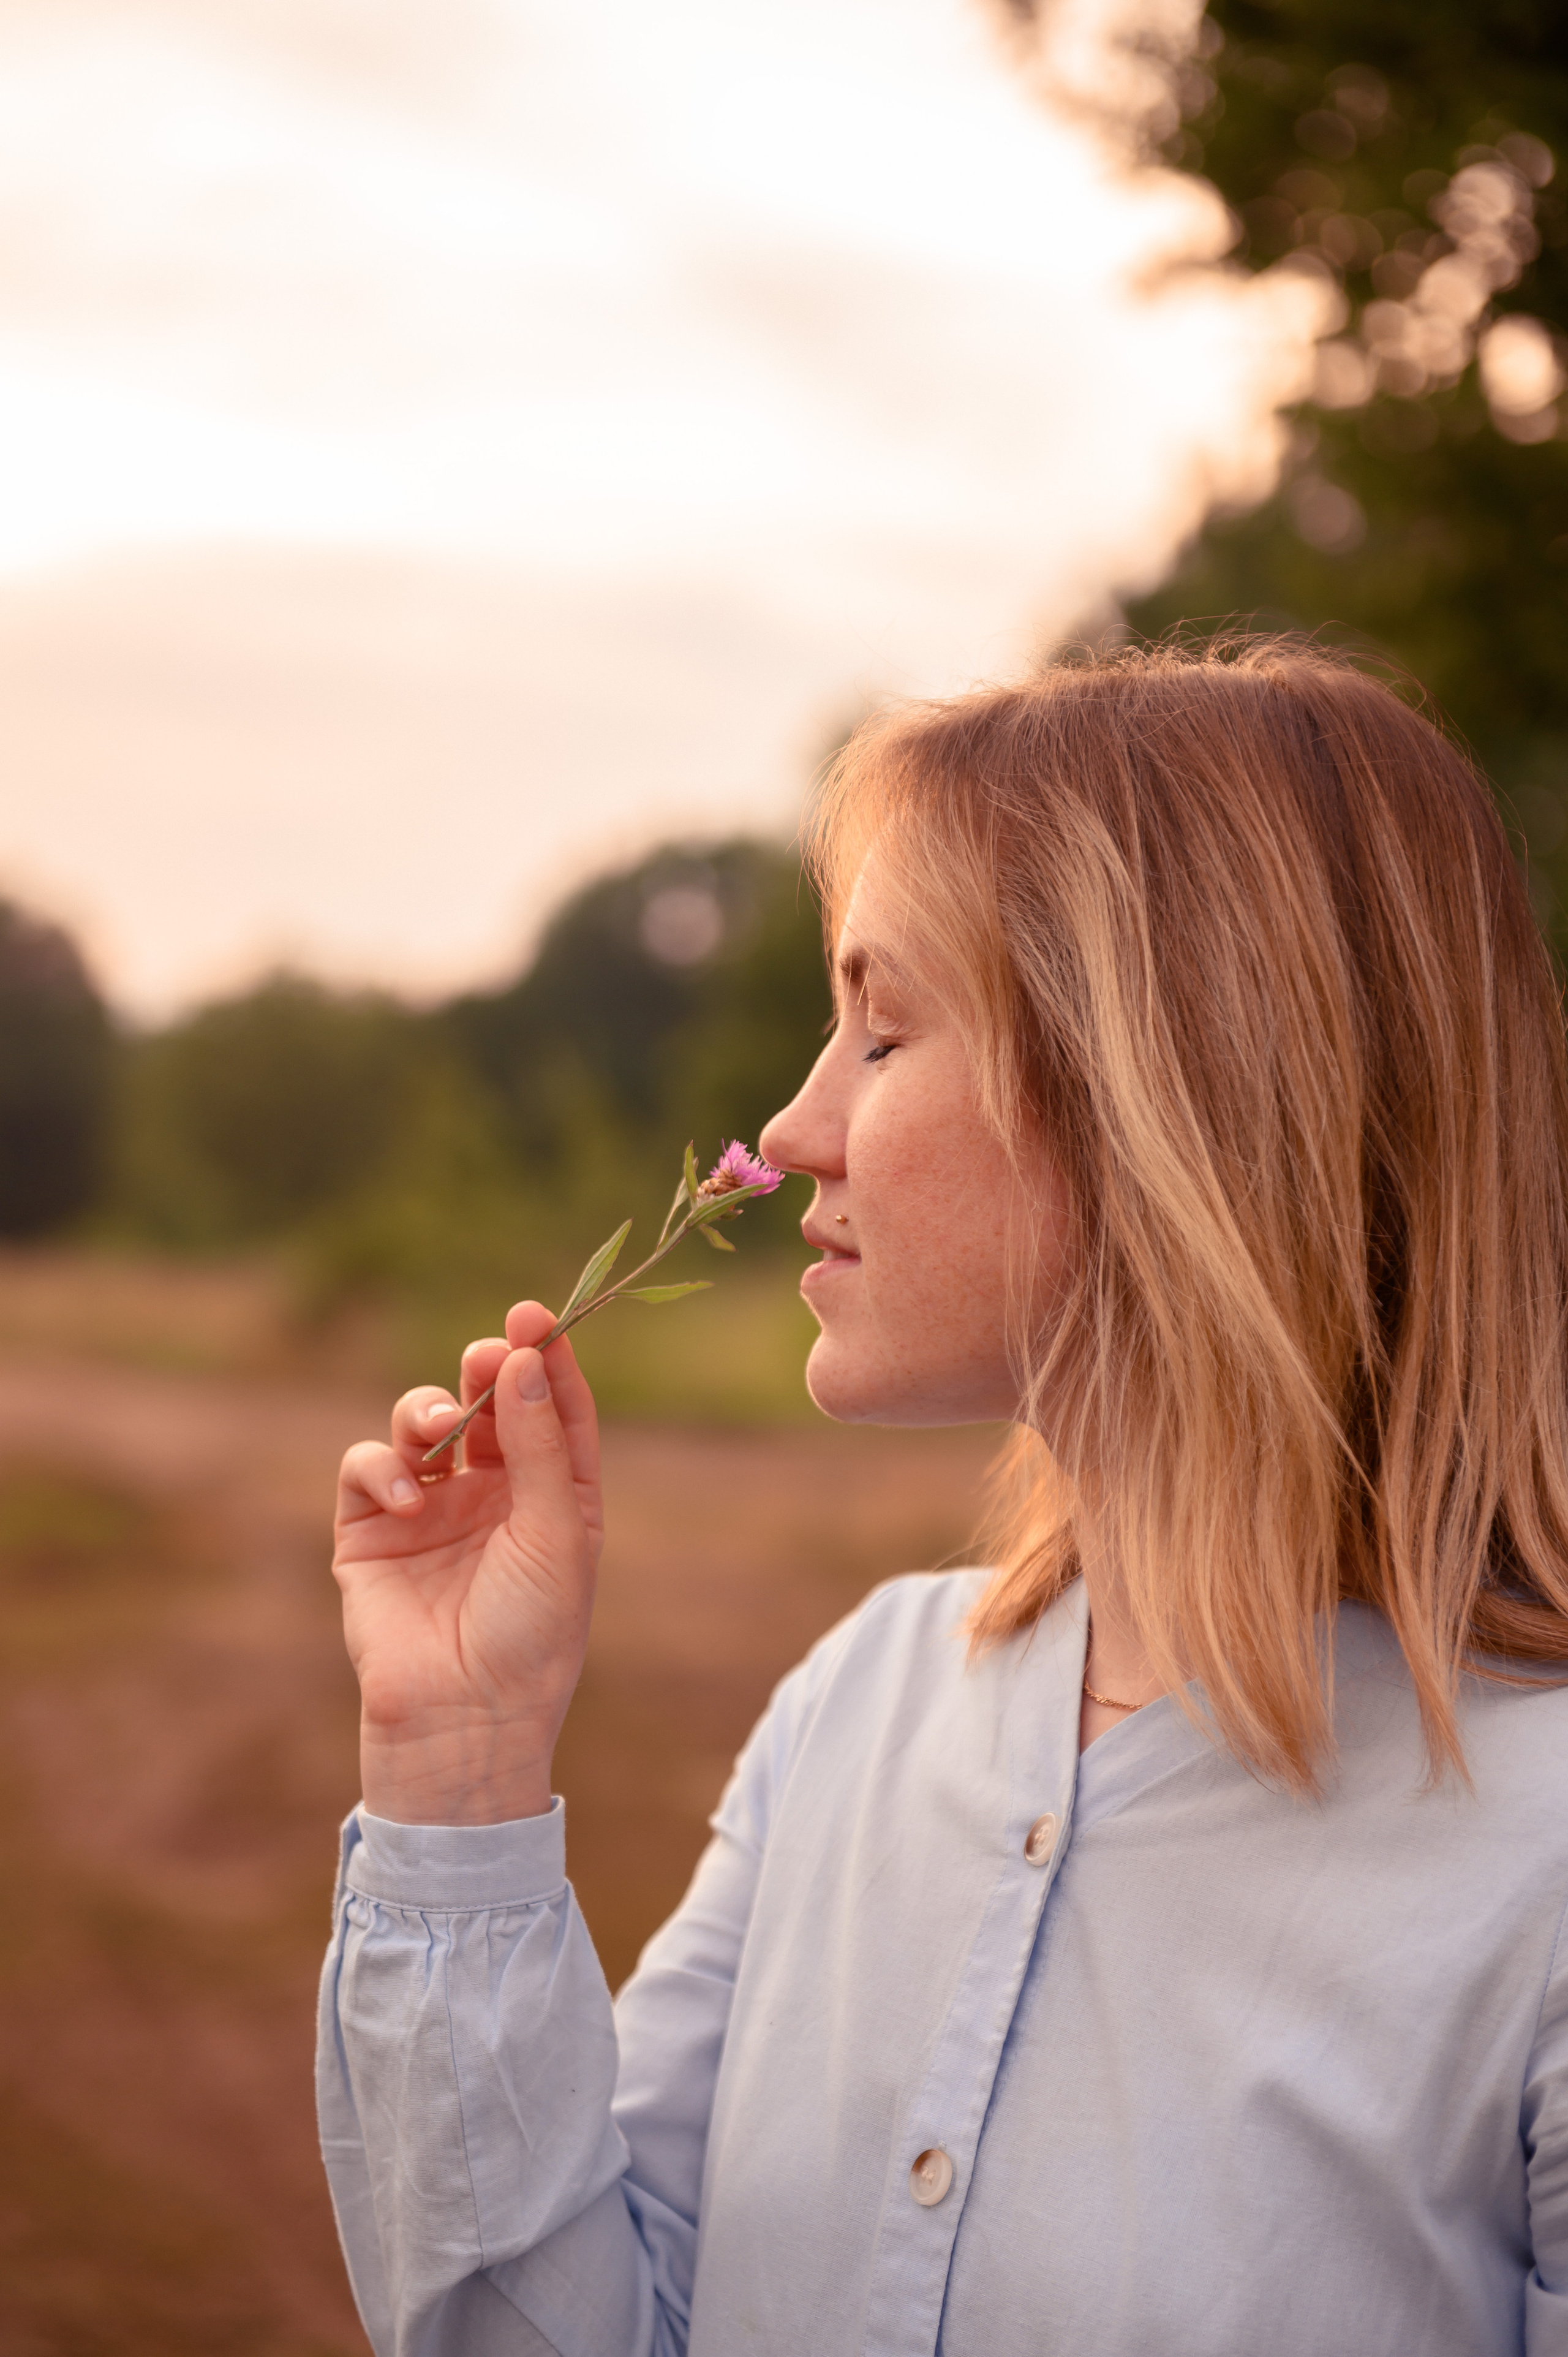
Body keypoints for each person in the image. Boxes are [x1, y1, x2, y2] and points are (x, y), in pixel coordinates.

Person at [317, 638, 1568, 2357]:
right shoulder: (861, 1706)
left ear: (1176, 1092)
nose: (797, 1127)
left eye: (885, 1031)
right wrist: (457, 1771)